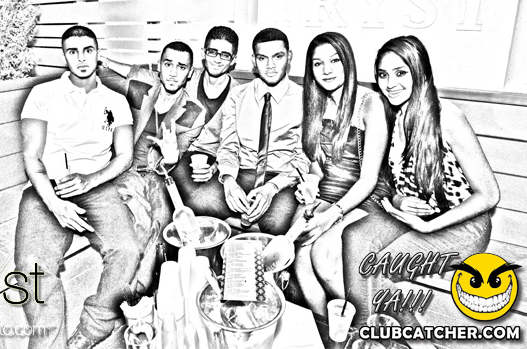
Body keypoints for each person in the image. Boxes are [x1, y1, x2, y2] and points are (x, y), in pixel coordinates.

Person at [342, 36, 500, 340]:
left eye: (401, 73)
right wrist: (399, 199)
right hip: (420, 219)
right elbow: (392, 179)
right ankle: (372, 337)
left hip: (463, 226)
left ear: (420, 72)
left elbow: (490, 194)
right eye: (383, 75)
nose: (390, 83)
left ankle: (414, 342)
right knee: (357, 245)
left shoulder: (447, 117)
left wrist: (430, 226)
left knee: (374, 270)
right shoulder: (395, 114)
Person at [15, 25, 139, 349]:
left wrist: (91, 179)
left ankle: (93, 328)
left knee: (127, 251)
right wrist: (54, 203)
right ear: (65, 56)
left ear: (98, 54)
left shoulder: (116, 101)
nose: (81, 58)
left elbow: (124, 155)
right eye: (73, 51)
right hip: (47, 189)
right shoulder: (43, 95)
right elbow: (32, 158)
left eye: (88, 50)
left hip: (97, 187)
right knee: (32, 268)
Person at [291, 32, 390, 316]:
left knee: (323, 256)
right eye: (318, 63)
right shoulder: (316, 103)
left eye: (334, 60)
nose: (327, 70)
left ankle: (366, 326)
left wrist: (331, 215)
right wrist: (311, 181)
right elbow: (318, 164)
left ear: (348, 62)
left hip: (367, 197)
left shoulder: (370, 103)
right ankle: (327, 330)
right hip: (329, 193)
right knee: (300, 255)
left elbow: (369, 179)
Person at [101, 42, 206, 295]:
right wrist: (101, 58)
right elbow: (129, 70)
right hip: (125, 169)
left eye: (181, 67)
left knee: (163, 222)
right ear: (159, 66)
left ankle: (139, 290)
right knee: (141, 219)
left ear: (189, 73)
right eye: (168, 64)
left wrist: (171, 157)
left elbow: (176, 157)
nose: (173, 73)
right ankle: (130, 290)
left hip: (158, 175)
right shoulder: (145, 84)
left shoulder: (194, 112)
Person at [189, 28, 309, 235]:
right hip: (242, 172)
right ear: (254, 60)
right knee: (198, 204)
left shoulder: (305, 100)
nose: (270, 66)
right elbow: (228, 146)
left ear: (289, 57)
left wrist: (272, 188)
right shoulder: (237, 96)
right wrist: (228, 181)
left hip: (281, 177)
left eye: (278, 56)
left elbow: (303, 159)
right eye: (262, 58)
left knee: (276, 225)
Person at [170, 26, 242, 202]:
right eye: (212, 52)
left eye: (225, 55)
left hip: (211, 162)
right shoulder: (187, 77)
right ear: (203, 53)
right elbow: (152, 79)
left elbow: (236, 145)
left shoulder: (239, 95)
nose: (217, 60)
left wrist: (214, 168)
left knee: (205, 200)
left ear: (233, 60)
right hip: (175, 152)